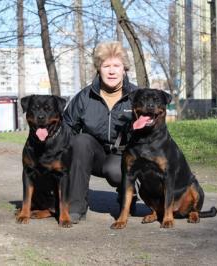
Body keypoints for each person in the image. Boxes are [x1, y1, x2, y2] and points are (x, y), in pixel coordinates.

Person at [63, 41, 138, 223]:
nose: (111, 71)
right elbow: (66, 128)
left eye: (116, 66)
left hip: (124, 157)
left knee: (114, 169)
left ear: (124, 69)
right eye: (106, 66)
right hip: (94, 154)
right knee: (80, 141)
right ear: (99, 69)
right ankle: (76, 206)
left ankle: (128, 195)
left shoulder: (138, 96)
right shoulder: (84, 97)